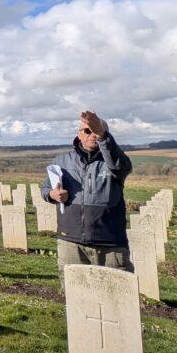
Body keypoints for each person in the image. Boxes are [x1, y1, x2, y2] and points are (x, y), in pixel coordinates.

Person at [41, 111, 134, 283]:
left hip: (109, 244)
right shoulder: (62, 161)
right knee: (75, 294)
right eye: (87, 131)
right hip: (71, 241)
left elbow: (121, 167)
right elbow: (46, 188)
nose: (92, 135)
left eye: (96, 131)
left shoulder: (114, 161)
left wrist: (102, 136)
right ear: (79, 134)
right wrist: (52, 194)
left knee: (114, 294)